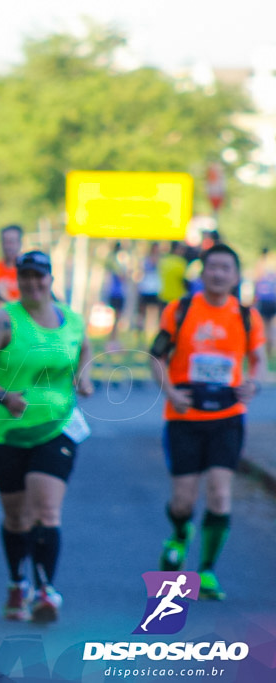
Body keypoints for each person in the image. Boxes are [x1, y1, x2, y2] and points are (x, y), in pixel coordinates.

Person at [0, 250, 94, 623]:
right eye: (25, 277)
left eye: (39, 276)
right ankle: (17, 582)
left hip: (57, 428)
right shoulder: (4, 321)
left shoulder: (72, 320)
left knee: (47, 510)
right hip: (5, 432)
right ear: (17, 281)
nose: (32, 284)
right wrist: (5, 397)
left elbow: (84, 347)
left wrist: (83, 378)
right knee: (16, 518)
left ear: (50, 278)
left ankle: (45, 590)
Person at [148, 243, 266, 601]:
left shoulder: (247, 317)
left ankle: (207, 571)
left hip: (227, 417)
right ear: (202, 273)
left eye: (225, 268)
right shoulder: (179, 310)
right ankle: (180, 533)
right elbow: (155, 356)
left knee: (219, 492)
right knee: (183, 501)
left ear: (235, 275)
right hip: (184, 416)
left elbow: (258, 358)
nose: (217, 274)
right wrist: (170, 392)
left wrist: (253, 382)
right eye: (211, 267)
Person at [252, 247, 276, 357]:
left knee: (262, 326)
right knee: (270, 326)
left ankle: (263, 352)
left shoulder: (260, 264)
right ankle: (269, 352)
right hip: (272, 299)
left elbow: (256, 282)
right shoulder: (272, 264)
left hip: (264, 299)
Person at [0, 224, 22, 301]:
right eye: (5, 241)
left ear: (19, 243)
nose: (8, 246)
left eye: (11, 242)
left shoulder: (28, 269)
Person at [103, 241, 128, 347]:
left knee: (116, 318)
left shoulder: (112, 260)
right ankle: (112, 340)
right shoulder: (116, 261)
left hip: (115, 292)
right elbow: (121, 277)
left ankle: (113, 339)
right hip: (117, 293)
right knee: (116, 318)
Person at [136, 241, 163, 339]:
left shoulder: (160, 260)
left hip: (155, 289)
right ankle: (140, 333)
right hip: (146, 288)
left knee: (154, 312)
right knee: (142, 312)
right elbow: (141, 272)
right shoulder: (146, 260)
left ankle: (151, 332)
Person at [158, 240, 189, 305]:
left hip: (164, 296)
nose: (183, 251)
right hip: (177, 297)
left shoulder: (163, 261)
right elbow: (185, 280)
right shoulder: (181, 262)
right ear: (176, 249)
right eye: (181, 249)